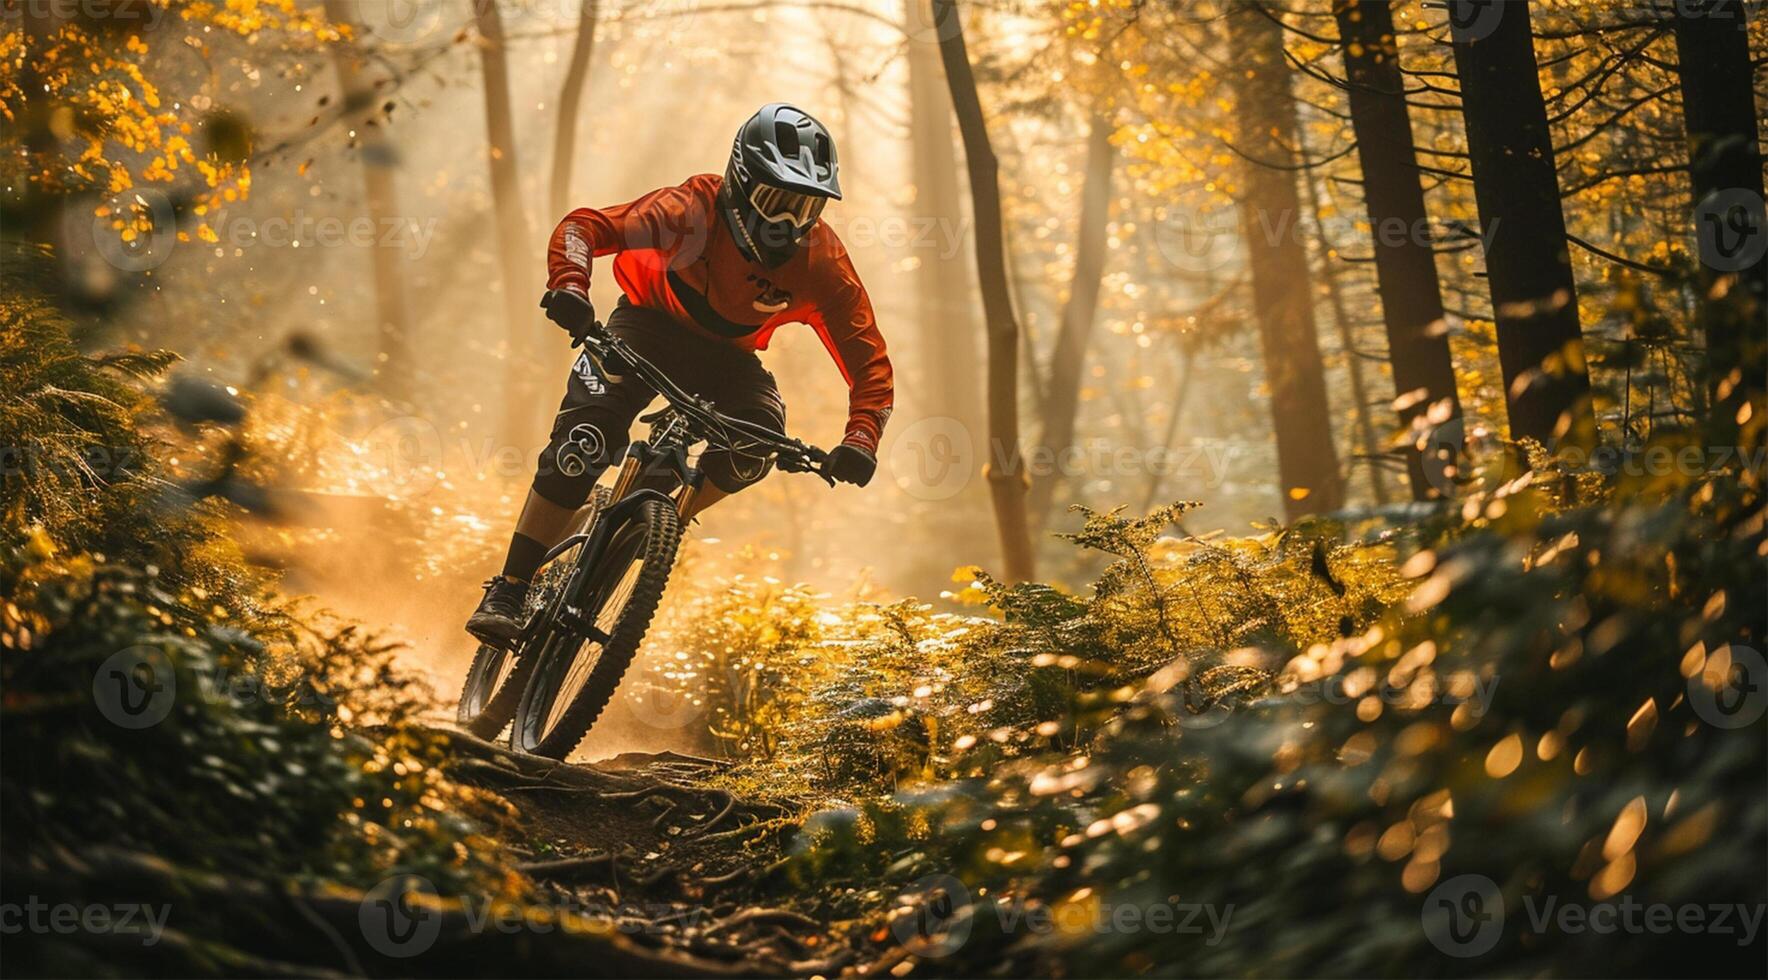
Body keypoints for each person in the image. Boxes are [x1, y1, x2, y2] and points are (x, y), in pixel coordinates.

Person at [466, 103, 893, 644]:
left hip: (730, 362)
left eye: (806, 208)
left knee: (756, 441)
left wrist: (861, 439)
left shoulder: (822, 261)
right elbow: (585, 226)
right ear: (741, 183)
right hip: (647, 326)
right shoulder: (692, 208)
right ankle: (511, 585)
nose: (790, 224)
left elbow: (870, 363)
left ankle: (661, 520)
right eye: (777, 203)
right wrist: (571, 285)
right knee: (585, 440)